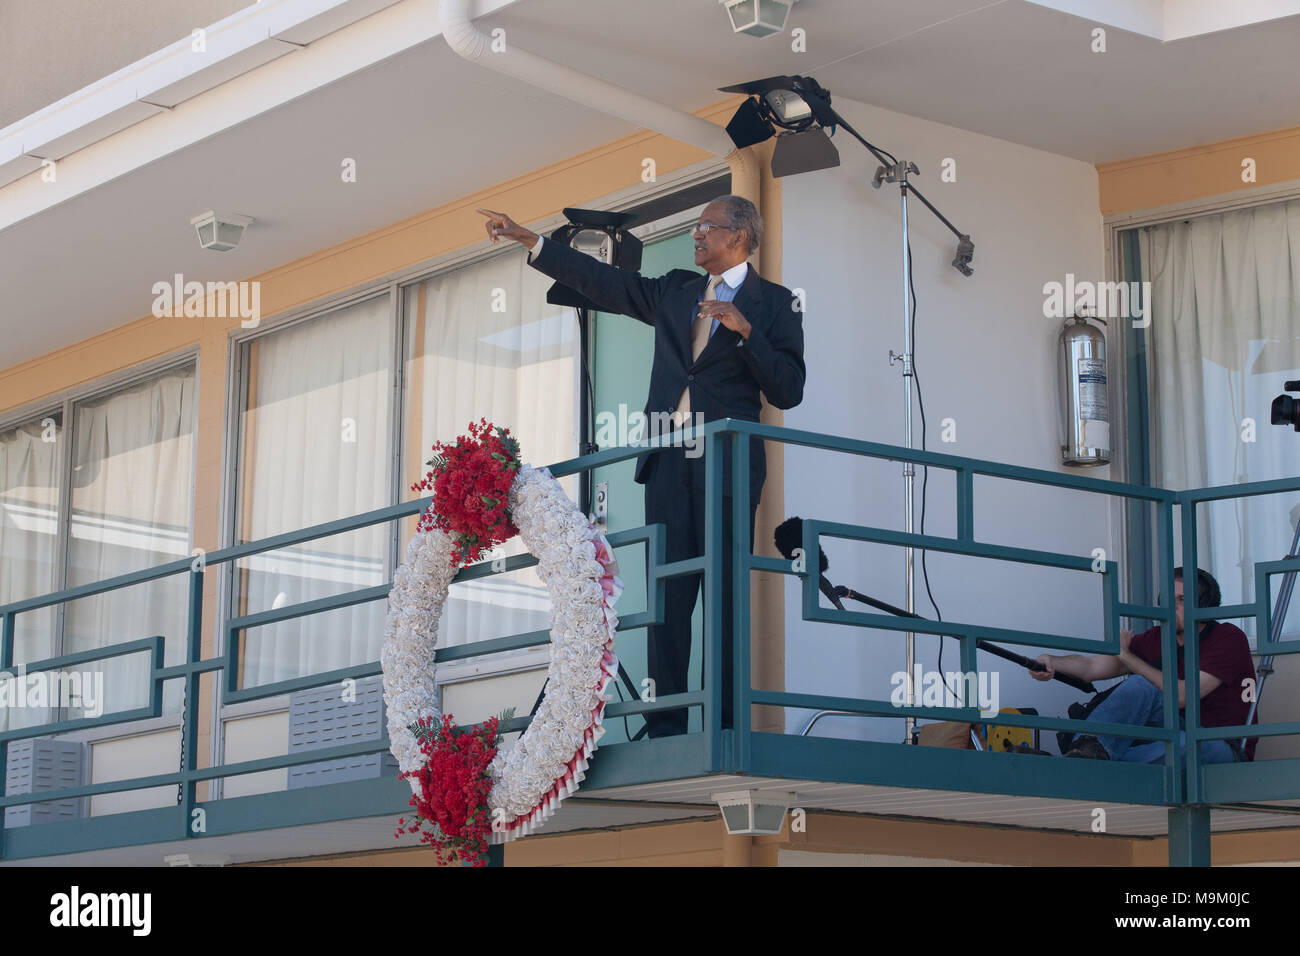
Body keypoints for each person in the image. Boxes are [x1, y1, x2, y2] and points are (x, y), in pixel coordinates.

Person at [477, 198, 805, 737]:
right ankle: (667, 724)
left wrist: (748, 333)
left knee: (724, 591)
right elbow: (606, 282)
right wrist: (530, 241)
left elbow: (788, 389)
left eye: (706, 228)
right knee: (669, 595)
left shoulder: (776, 303)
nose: (696, 235)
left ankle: (725, 723)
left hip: (726, 462)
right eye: (696, 227)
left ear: (740, 237)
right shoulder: (676, 288)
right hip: (669, 462)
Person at [1031, 568, 1257, 762]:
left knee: (1181, 744)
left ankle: (1071, 764)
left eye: (1182, 600)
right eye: (1168, 599)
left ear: (1205, 605)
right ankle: (1084, 756)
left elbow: (1183, 695)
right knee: (1145, 707)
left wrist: (1129, 659)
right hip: (1175, 734)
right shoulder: (1156, 638)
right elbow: (1091, 667)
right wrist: (1052, 662)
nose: (1171, 607)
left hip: (1223, 746)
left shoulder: (1228, 637)